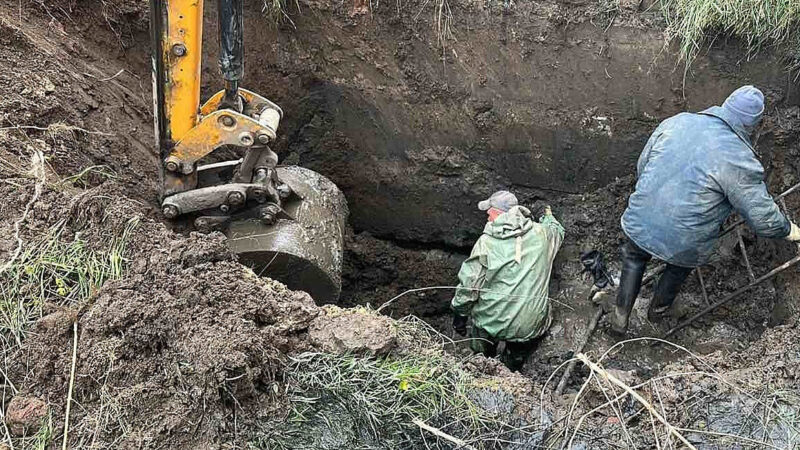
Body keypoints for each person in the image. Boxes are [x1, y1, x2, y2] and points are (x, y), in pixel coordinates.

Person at [611, 85, 800, 334]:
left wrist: (650, 197)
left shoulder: (677, 122)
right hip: (685, 239)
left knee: (634, 258)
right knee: (678, 266)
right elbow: (760, 215)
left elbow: (643, 164)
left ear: (726, 105)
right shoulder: (739, 157)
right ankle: (657, 313)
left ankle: (619, 319)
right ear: (753, 124)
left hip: (641, 217)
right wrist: (787, 229)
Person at [451, 190, 565, 371]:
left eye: (489, 213)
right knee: (515, 357)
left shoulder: (486, 243)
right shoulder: (542, 235)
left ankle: (482, 365)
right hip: (528, 325)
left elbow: (469, 287)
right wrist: (548, 215)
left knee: (481, 353)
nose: (487, 217)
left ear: (497, 213)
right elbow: (557, 230)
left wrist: (460, 314)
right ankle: (510, 370)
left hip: (490, 321)